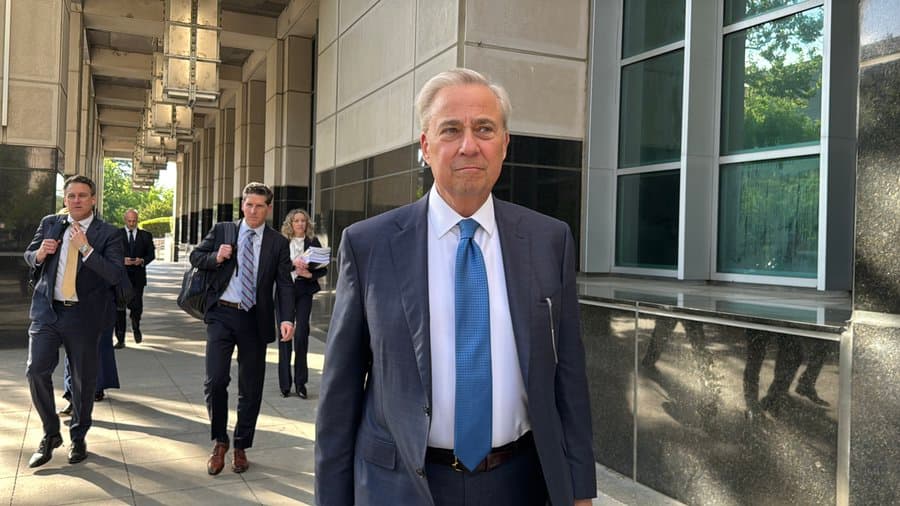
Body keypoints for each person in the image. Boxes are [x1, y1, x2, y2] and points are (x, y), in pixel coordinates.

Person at [315, 68, 596, 505]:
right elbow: (341, 392)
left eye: (484, 128)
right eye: (451, 129)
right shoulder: (369, 244)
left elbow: (569, 377)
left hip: (520, 484)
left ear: (505, 144)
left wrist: (580, 490)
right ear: (426, 146)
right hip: (402, 486)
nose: (469, 145)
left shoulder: (549, 240)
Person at [189, 182, 296, 476]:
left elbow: (284, 284)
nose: (253, 211)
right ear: (242, 205)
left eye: (259, 206)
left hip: (254, 319)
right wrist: (216, 257)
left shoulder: (277, 243)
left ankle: (240, 445)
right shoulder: (224, 230)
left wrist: (287, 318)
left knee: (251, 387)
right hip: (221, 315)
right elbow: (196, 257)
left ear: (268, 208)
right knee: (215, 381)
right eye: (248, 204)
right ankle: (220, 441)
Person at [23, 175, 124, 467]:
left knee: (83, 381)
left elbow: (115, 274)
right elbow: (29, 255)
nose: (76, 200)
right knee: (36, 371)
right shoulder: (50, 223)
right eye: (71, 196)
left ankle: (78, 436)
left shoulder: (108, 233)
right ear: (65, 199)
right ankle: (51, 433)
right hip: (47, 311)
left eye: (82, 195)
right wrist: (39, 254)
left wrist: (86, 249)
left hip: (84, 316)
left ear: (93, 199)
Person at [277, 209, 326, 399]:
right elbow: (276, 266)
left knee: (302, 335)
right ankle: (284, 383)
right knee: (285, 336)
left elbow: (323, 269)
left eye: (303, 221)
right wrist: (293, 265)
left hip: (304, 291)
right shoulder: (281, 242)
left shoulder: (313, 242)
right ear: (290, 223)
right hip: (284, 292)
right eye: (296, 221)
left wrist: (310, 274)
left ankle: (300, 383)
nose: (300, 224)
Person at [115, 209, 155, 348]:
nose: (131, 224)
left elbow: (151, 254)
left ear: (137, 220)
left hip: (138, 277)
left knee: (137, 306)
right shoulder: (116, 235)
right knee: (119, 308)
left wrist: (142, 260)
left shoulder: (146, 236)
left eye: (134, 221)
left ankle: (135, 325)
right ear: (125, 220)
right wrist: (122, 260)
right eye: (129, 221)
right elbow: (111, 254)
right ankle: (120, 339)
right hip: (121, 277)